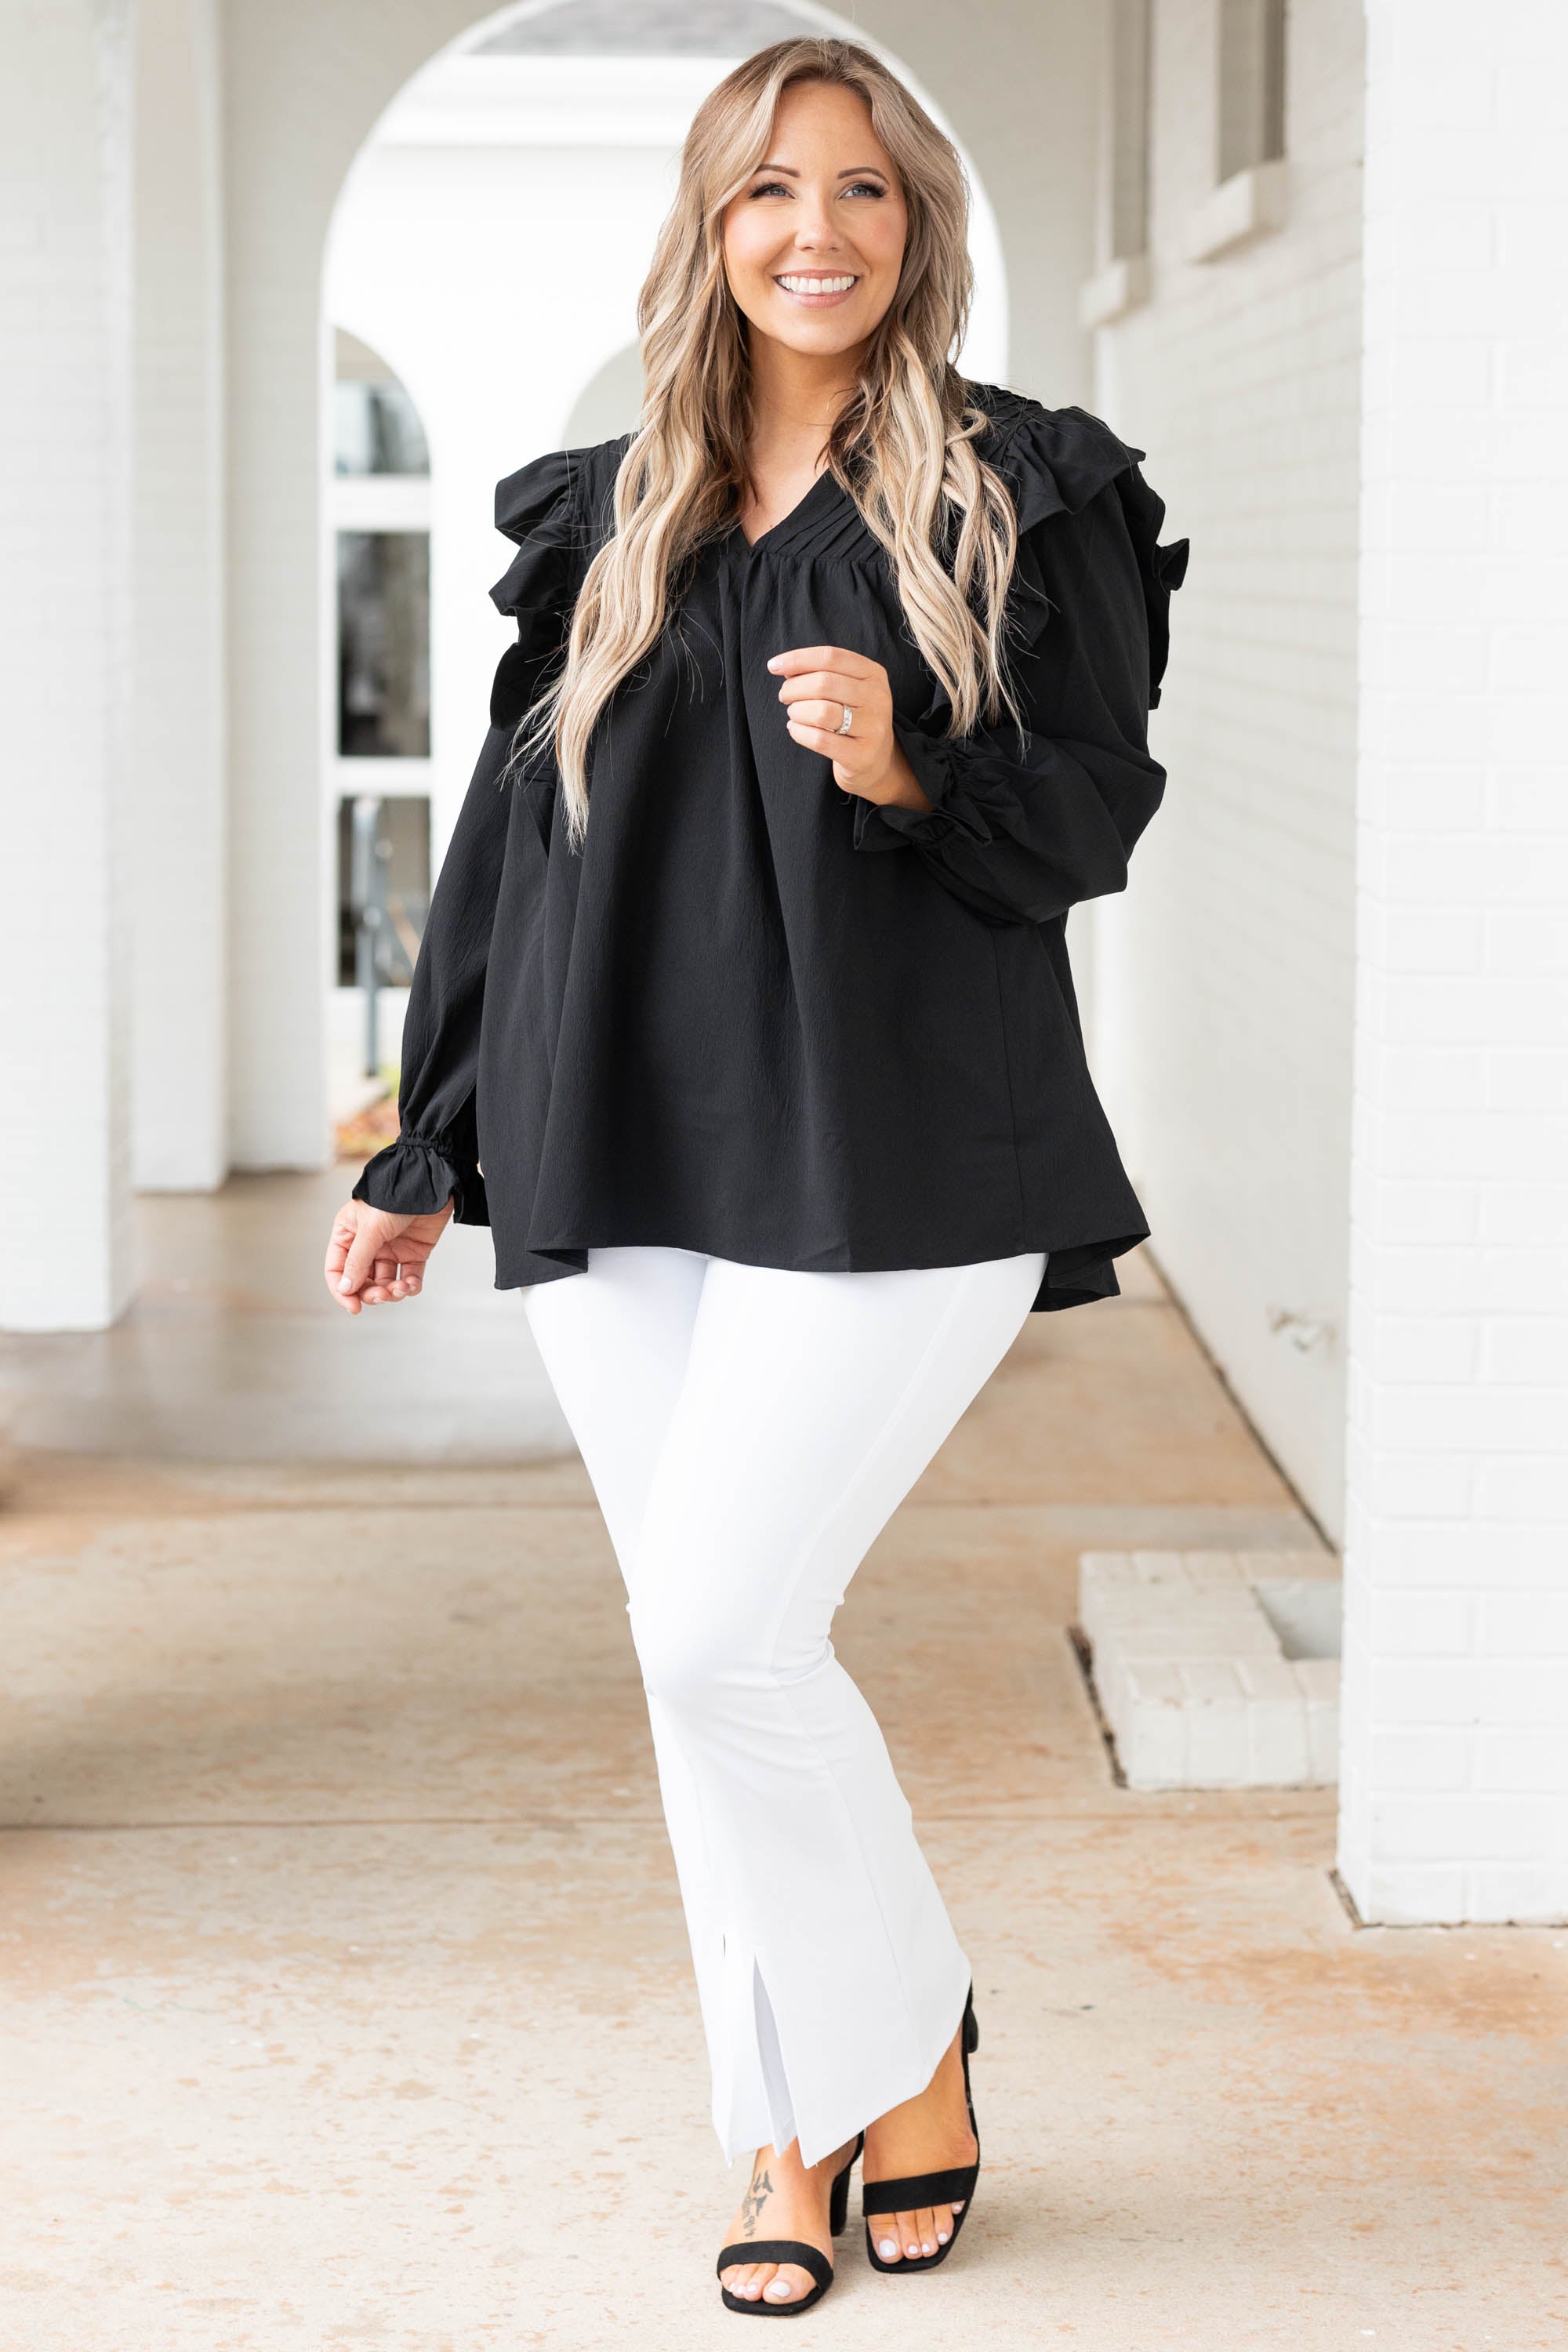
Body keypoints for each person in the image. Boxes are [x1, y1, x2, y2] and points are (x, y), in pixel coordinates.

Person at [325, 34, 1186, 2318]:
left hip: (904, 1153)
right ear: (713, 229)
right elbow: (511, 848)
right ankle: (792, 2126)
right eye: (773, 189)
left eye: (866, 189)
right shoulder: (610, 514)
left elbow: (1093, 814)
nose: (821, 229)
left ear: (921, 227)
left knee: (725, 1636)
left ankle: (903, 2046)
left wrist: (910, 768)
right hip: (620, 1144)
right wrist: (430, 1135)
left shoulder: (1021, 490)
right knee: (696, 1662)